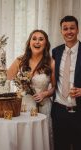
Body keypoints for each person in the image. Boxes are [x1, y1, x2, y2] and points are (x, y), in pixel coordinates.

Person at [0, 29, 55, 149]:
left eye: (41, 39)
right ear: (29, 42)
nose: (37, 42)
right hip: (24, 104)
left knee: (39, 140)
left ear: (46, 43)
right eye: (34, 39)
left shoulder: (51, 62)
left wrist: (45, 94)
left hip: (43, 106)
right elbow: (5, 77)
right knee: (24, 139)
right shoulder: (20, 60)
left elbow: (55, 87)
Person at [51, 15, 81, 150]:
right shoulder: (56, 52)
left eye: (72, 28)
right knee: (60, 146)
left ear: (78, 30)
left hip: (79, 111)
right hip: (59, 111)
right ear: (61, 31)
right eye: (65, 28)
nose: (69, 31)